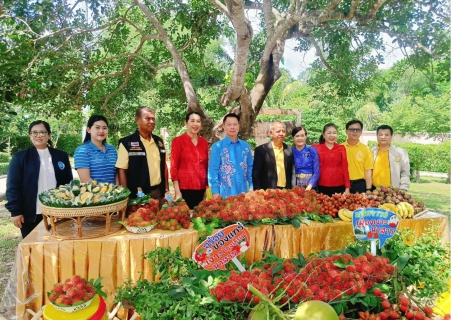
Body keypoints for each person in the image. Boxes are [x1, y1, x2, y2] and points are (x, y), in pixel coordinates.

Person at [6, 120, 73, 238]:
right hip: (31, 214)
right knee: (33, 248)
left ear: (49, 135)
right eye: (34, 132)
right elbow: (13, 186)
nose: (38, 135)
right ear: (30, 135)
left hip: (57, 212)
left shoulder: (61, 156)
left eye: (42, 132)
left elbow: (69, 183)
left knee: (58, 246)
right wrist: (15, 211)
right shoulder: (20, 157)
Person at [116, 107, 169, 206]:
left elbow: (164, 166)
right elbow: (122, 170)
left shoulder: (159, 142)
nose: (152, 122)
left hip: (158, 193)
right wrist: (125, 196)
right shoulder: (127, 143)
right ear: (137, 120)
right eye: (147, 119)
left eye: (153, 119)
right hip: (138, 196)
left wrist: (166, 190)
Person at [208, 113, 253, 199]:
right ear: (224, 127)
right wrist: (215, 192)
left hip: (244, 193)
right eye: (229, 124)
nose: (232, 127)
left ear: (238, 126)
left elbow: (250, 168)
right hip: (224, 194)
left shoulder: (245, 146)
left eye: (235, 124)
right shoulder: (217, 147)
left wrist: (252, 187)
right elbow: (213, 171)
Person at [170, 111, 208, 209]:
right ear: (186, 123)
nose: (195, 124)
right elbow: (174, 168)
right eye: (192, 121)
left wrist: (206, 190)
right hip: (184, 189)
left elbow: (205, 167)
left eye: (198, 121)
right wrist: (177, 192)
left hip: (201, 189)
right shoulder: (178, 141)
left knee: (200, 219)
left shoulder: (203, 142)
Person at [74, 115, 118, 184]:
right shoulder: (82, 151)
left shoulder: (112, 150)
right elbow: (86, 180)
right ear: (89, 130)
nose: (101, 131)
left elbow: (117, 175)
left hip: (115, 193)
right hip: (94, 193)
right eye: (97, 127)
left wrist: (118, 191)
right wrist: (106, 192)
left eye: (104, 128)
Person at [252, 121, 293, 190]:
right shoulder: (261, 150)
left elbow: (292, 172)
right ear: (271, 133)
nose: (281, 133)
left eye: (283, 131)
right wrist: (258, 191)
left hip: (286, 190)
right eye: (278, 131)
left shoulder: (289, 150)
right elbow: (256, 174)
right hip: (268, 191)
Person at [313, 123, 350, 196]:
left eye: (334, 133)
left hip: (339, 185)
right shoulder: (316, 148)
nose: (332, 135)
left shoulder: (341, 148)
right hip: (321, 185)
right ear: (323, 135)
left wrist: (347, 187)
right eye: (329, 133)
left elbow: (345, 168)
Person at [371, 124, 410, 191]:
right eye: (380, 135)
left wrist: (403, 189)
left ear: (391, 136)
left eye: (386, 135)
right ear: (377, 136)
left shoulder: (401, 152)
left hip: (392, 191)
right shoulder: (370, 151)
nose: (383, 137)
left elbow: (405, 173)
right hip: (373, 191)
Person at [341, 120, 374, 194]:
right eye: (352, 129)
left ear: (361, 132)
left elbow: (368, 171)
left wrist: (368, 189)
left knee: (359, 205)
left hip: (359, 185)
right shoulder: (340, 148)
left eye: (358, 130)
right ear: (346, 132)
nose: (355, 132)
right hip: (342, 184)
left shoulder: (366, 149)